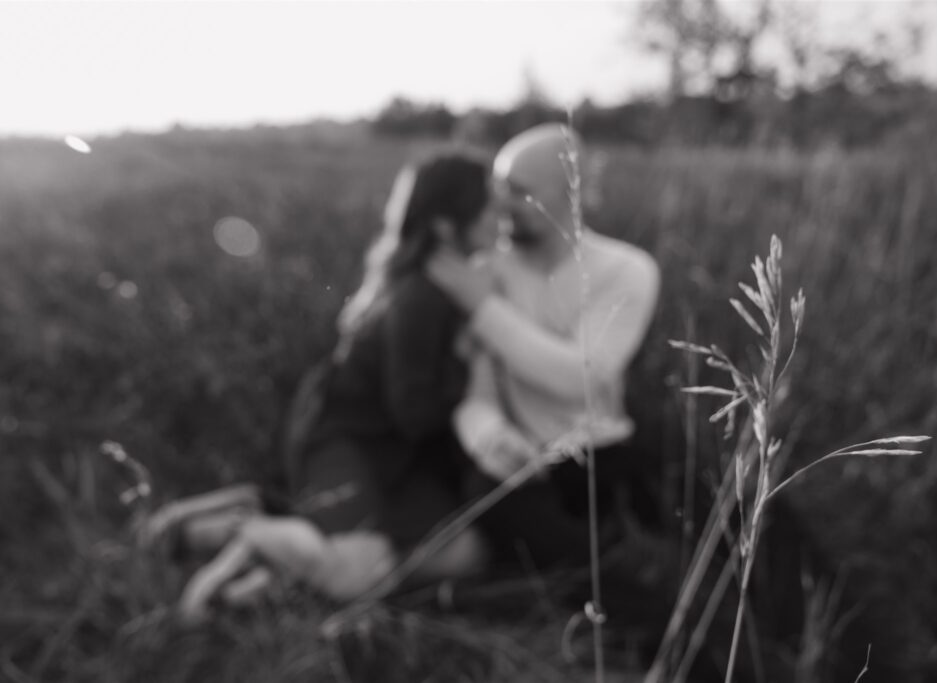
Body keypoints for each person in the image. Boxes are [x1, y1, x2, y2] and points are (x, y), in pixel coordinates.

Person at [152, 151, 496, 622]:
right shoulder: (421, 297)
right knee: (361, 577)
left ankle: (283, 533)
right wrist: (475, 374)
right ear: (444, 226)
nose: (501, 218)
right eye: (489, 208)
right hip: (344, 441)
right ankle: (249, 532)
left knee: (466, 556)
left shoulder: (444, 283)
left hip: (395, 456)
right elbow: (414, 413)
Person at [426, 123, 664, 577]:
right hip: (515, 457)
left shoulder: (626, 269)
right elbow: (474, 391)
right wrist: (489, 435)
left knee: (742, 501)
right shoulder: (482, 269)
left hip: (603, 450)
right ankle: (616, 596)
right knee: (506, 506)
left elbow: (585, 380)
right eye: (496, 190)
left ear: (569, 193)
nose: (498, 204)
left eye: (517, 191)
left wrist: (483, 309)